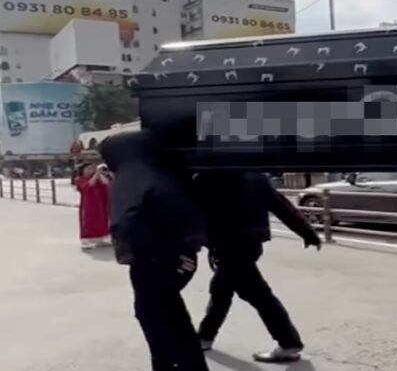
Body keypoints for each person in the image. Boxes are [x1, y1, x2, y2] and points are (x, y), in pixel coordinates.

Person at [99, 130, 209, 371]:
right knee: (173, 317)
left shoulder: (129, 179)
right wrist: (186, 250)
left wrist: (168, 255)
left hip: (154, 262)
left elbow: (127, 224)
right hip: (180, 258)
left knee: (156, 320)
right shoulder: (166, 175)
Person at [193, 171, 322, 363]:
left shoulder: (208, 176)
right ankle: (205, 336)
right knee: (221, 291)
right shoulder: (256, 176)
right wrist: (307, 232)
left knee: (258, 295)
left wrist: (185, 245)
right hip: (250, 243)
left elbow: (190, 211)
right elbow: (281, 206)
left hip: (228, 245)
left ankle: (289, 343)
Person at [73, 162, 111, 249]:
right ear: (82, 170)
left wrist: (99, 174)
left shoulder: (97, 178)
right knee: (88, 222)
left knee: (101, 220)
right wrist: (96, 174)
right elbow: (88, 185)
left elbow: (106, 183)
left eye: (92, 169)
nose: (90, 171)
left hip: (100, 204)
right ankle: (86, 241)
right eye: (88, 169)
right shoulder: (79, 179)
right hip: (88, 205)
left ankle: (101, 239)